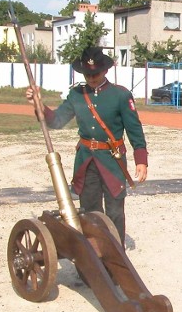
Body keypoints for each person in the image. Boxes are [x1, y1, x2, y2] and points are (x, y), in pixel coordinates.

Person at [26, 46, 148, 246]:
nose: (91, 78)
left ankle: (116, 257)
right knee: (90, 212)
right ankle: (93, 256)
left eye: (96, 73)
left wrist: (141, 160)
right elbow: (56, 121)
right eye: (88, 74)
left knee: (115, 210)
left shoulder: (121, 95)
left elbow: (134, 130)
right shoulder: (76, 95)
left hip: (112, 162)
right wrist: (38, 104)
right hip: (87, 161)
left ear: (105, 70)